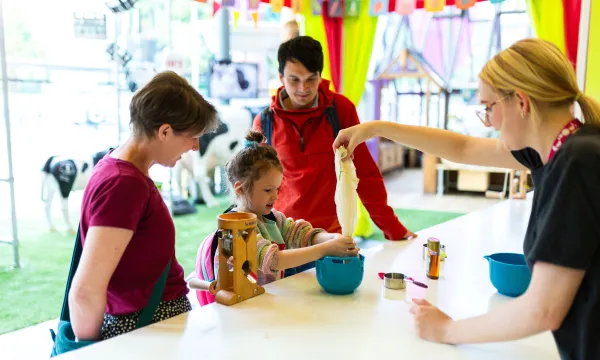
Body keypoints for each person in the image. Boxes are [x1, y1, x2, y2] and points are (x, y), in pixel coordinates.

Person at [333, 38, 600, 360]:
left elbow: (542, 310)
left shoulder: (578, 161)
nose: (489, 122)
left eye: (489, 108)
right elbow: (464, 149)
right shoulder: (564, 150)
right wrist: (376, 128)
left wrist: (445, 329)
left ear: (521, 102)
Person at [68, 71, 218, 341]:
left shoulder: (121, 170)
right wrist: (89, 352)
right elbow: (85, 291)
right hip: (144, 331)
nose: (195, 147)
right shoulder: (123, 184)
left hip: (150, 327)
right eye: (192, 136)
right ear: (164, 131)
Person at [253, 36, 415, 243]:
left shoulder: (341, 111)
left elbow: (365, 173)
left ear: (320, 76)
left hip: (330, 237)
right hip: (281, 238)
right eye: (294, 79)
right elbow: (252, 186)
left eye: (311, 78)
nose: (303, 88)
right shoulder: (264, 121)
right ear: (281, 78)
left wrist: (394, 229)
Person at [194, 130, 359, 306]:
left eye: (277, 189)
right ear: (240, 189)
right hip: (239, 310)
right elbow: (273, 260)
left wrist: (331, 238)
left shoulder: (271, 218)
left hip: (261, 303)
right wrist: (326, 249)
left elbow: (300, 233)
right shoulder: (234, 229)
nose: (275, 196)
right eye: (267, 190)